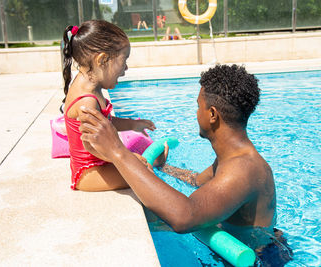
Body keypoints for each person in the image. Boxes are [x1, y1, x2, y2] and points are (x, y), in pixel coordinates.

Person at [78, 64, 293, 265]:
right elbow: (196, 180)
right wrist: (164, 167)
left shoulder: (242, 169)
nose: (195, 112)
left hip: (259, 259)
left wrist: (117, 151)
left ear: (212, 115)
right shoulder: (233, 159)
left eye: (198, 106)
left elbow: (184, 217)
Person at [62, 20, 165, 192]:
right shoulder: (87, 102)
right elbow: (91, 145)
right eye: (123, 60)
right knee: (145, 173)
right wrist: (127, 158)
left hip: (98, 165)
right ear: (102, 60)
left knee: (145, 166)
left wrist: (132, 124)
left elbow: (106, 123)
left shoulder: (91, 85)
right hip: (90, 174)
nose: (126, 68)